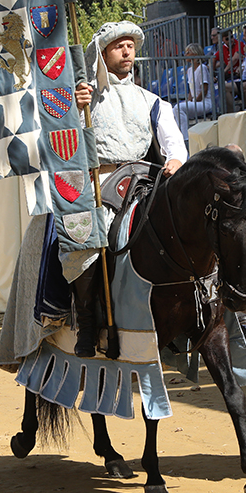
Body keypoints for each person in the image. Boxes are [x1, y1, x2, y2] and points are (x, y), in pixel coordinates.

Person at [69, 20, 188, 357]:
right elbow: (65, 141)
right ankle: (90, 320)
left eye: (130, 45)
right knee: (88, 235)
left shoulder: (153, 102)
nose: (126, 51)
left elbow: (175, 145)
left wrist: (177, 161)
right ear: (103, 53)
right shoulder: (84, 96)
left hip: (145, 182)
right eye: (118, 45)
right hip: (100, 184)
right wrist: (77, 108)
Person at [173, 42, 213, 140]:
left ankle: (185, 138)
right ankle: (180, 136)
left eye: (188, 52)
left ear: (195, 53)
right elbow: (191, 90)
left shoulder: (202, 68)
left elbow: (204, 89)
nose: (185, 54)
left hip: (204, 102)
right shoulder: (190, 70)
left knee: (178, 108)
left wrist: (195, 101)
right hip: (195, 101)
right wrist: (189, 101)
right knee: (174, 109)